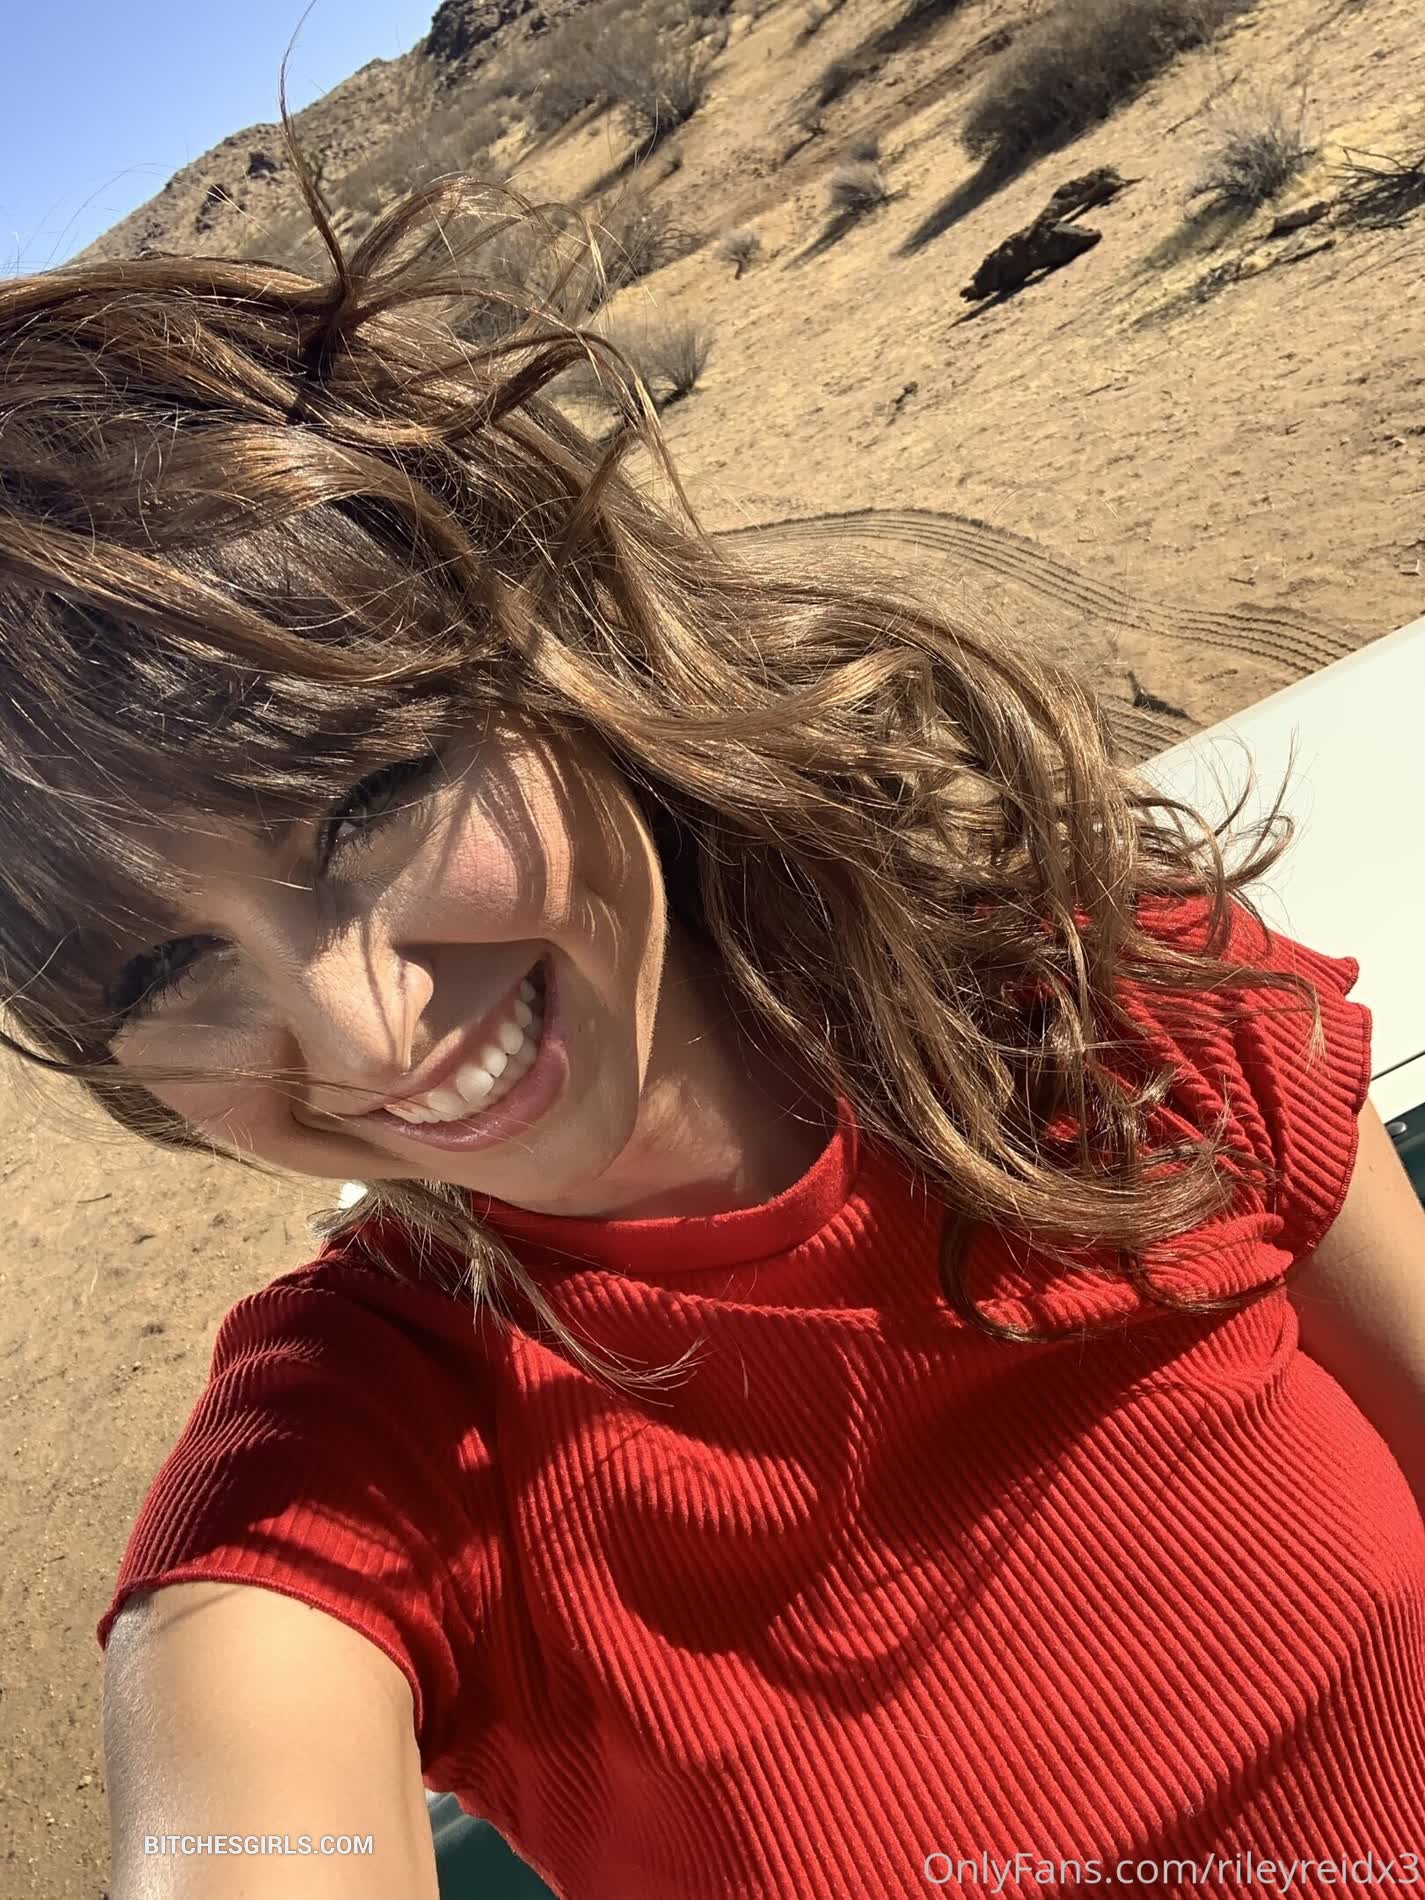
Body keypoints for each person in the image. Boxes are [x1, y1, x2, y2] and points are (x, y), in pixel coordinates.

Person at [2, 92, 1421, 1900]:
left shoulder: (1095, 1000)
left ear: (556, 644)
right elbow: (240, 1785)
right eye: (163, 966)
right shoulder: (357, 1458)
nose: (364, 1039)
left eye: (366, 805)